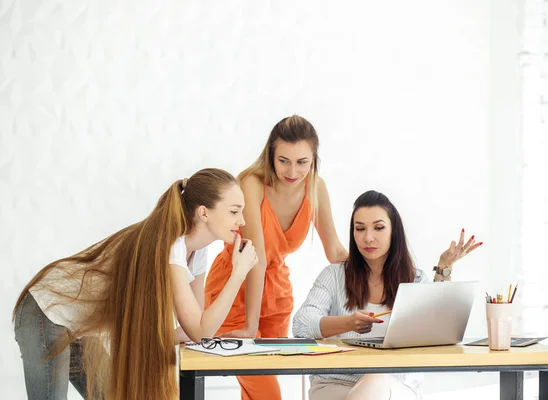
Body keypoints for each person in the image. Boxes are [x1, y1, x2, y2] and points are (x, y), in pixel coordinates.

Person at [12, 168, 258, 400]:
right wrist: (238, 273)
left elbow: (194, 328)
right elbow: (199, 330)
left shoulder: (197, 253)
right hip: (45, 310)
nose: (243, 221)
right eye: (234, 211)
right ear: (204, 212)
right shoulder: (172, 246)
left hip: (79, 326)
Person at [204, 115, 348, 400]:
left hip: (276, 298)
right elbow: (253, 257)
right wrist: (249, 327)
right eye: (284, 160)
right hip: (235, 290)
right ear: (270, 155)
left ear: (314, 159)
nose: (292, 171)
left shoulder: (316, 188)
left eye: (302, 162)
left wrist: (390, 259)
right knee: (266, 392)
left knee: (256, 392)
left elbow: (335, 251)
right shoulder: (252, 183)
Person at [292, 190, 482, 400]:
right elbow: (301, 324)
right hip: (336, 382)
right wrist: (348, 323)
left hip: (395, 385)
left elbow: (437, 329)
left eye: (379, 228)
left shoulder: (414, 280)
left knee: (374, 380)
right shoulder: (334, 276)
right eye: (360, 229)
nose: (368, 237)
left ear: (394, 231)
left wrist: (444, 268)